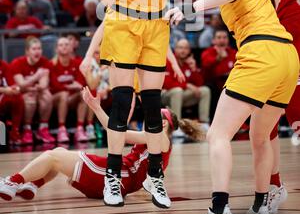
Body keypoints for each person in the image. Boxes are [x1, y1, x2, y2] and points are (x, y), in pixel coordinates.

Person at [128, 0, 300, 214]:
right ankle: (270, 190)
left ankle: (229, 207)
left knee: (269, 124)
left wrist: (191, 6)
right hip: (266, 44)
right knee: (263, 129)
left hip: (287, 35)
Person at [166, 0, 298, 214]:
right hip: (287, 57)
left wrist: (189, 8)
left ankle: (219, 211)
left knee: (218, 134)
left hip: (261, 53)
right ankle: (259, 208)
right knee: (260, 137)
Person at [73, 0, 175, 208]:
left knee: (153, 106)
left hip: (155, 27)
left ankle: (155, 176)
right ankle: (112, 178)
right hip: (123, 25)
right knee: (121, 104)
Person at [0, 87, 203, 204]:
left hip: (117, 177)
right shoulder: (156, 137)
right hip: (119, 181)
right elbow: (114, 130)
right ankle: (32, 184)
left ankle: (12, 182)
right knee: (59, 152)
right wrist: (96, 107)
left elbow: (118, 134)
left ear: (164, 123)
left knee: (53, 157)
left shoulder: (160, 138)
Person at [10, 37, 55, 145]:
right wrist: (36, 77)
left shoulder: (45, 62)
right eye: (34, 49)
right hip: (21, 94)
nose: (37, 51)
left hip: (36, 92)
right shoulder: (17, 63)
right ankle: (27, 129)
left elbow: (44, 85)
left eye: (39, 48)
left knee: (47, 96)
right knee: (30, 98)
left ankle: (43, 128)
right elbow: (20, 85)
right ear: (27, 51)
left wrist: (30, 85)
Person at [49, 37, 88, 143]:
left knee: (83, 94)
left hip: (72, 98)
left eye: (66, 44)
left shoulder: (77, 63)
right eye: (61, 45)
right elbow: (54, 86)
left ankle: (80, 129)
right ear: (56, 49)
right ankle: (61, 129)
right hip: (56, 99)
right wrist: (71, 86)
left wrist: (75, 86)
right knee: (63, 94)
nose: (64, 47)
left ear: (71, 48)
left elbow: (81, 84)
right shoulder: (51, 64)